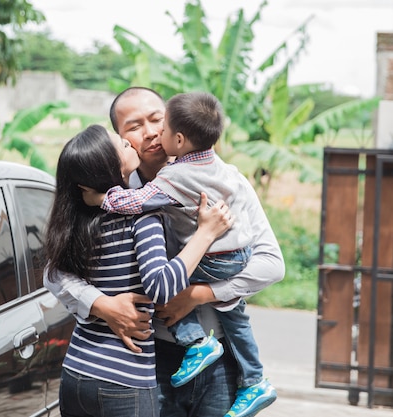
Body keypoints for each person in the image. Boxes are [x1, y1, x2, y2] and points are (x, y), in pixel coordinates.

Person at [45, 86, 285, 417]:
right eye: (134, 126)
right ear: (120, 139)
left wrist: (198, 294)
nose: (150, 133)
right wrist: (101, 305)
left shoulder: (225, 182)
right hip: (149, 361)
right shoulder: (114, 197)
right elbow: (55, 270)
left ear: (172, 125)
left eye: (157, 119)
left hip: (220, 359)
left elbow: (272, 264)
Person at [43, 124, 233, 417]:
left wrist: (99, 303)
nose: (127, 142)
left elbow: (55, 273)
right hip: (123, 379)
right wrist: (205, 234)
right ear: (109, 168)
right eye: (120, 144)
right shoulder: (142, 217)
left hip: (75, 372)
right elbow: (160, 287)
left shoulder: (78, 219)